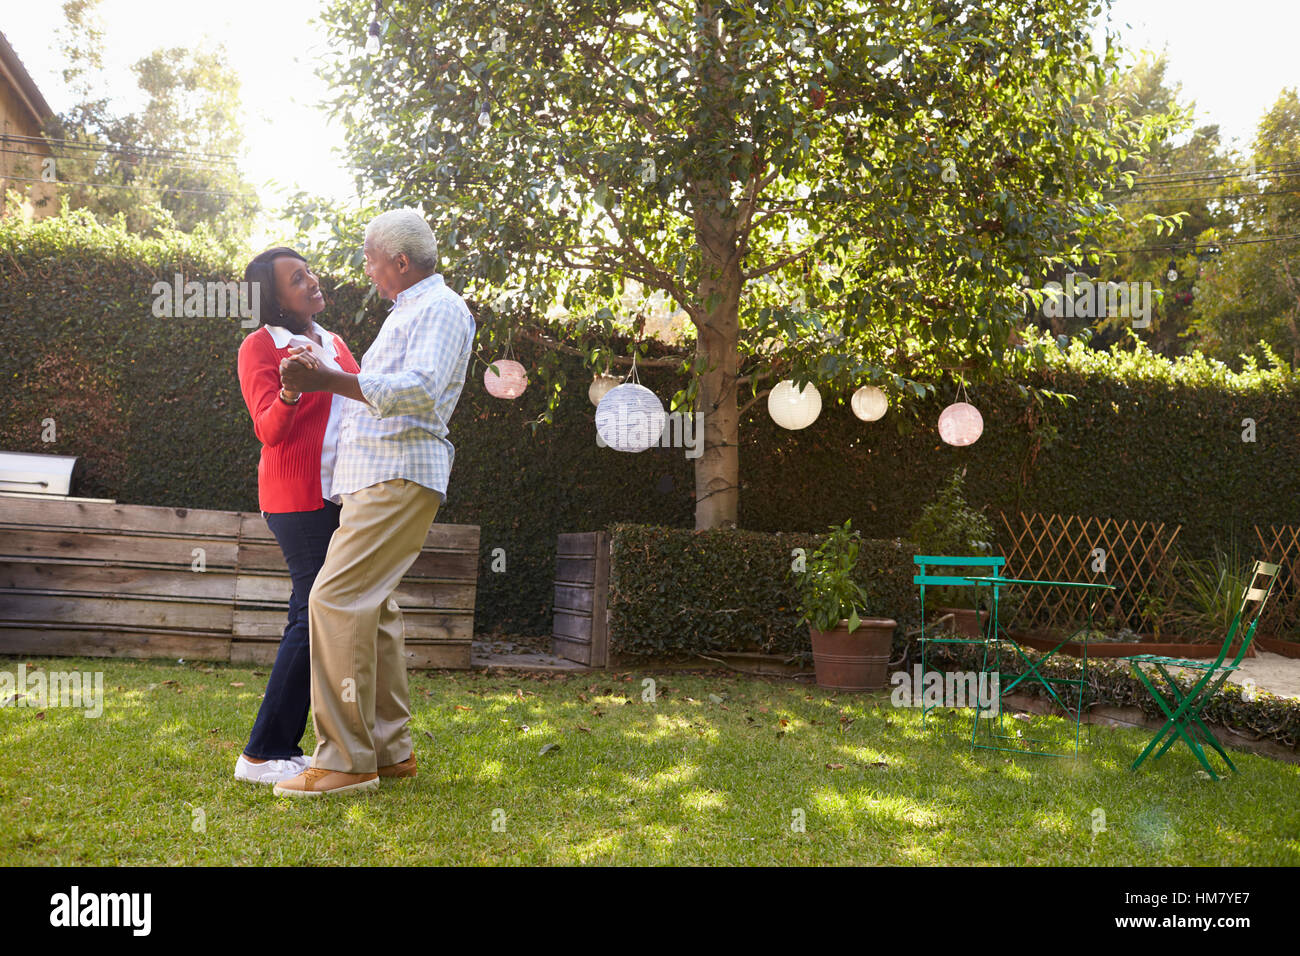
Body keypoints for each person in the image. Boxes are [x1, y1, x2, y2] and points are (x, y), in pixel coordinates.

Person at [272, 208, 477, 797]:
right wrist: (329, 375)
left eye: (369, 256)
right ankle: (389, 751)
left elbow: (418, 390)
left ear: (400, 261)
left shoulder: (440, 308)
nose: (364, 268)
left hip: (398, 472)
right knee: (376, 610)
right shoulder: (409, 311)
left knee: (333, 599)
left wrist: (328, 380)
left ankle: (344, 760)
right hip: (377, 476)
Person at [233, 247, 361, 784]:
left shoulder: (333, 342)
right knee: (310, 615)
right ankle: (261, 753)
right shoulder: (260, 346)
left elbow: (362, 399)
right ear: (275, 298)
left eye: (308, 271)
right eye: (296, 278)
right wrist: (289, 388)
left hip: (340, 495)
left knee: (320, 616)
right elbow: (268, 429)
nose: (311, 281)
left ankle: (285, 746)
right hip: (296, 497)